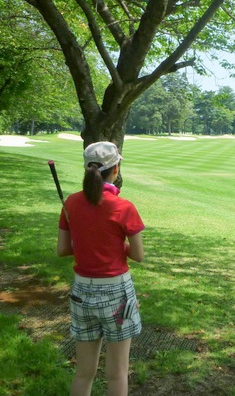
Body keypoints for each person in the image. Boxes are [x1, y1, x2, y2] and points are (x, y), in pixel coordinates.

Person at [57, 141, 145, 396]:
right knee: (117, 374)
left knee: (84, 372)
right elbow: (138, 255)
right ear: (115, 169)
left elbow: (63, 249)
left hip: (81, 292)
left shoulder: (70, 204)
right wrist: (114, 247)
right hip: (117, 293)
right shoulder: (124, 207)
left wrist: (87, 242)